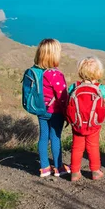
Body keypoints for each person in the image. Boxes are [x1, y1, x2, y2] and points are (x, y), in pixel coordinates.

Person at [68, 57, 105, 182]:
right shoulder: (100, 88)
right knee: (93, 146)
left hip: (77, 124)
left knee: (76, 147)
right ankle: (95, 171)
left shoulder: (74, 87)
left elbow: (68, 103)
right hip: (93, 124)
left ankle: (75, 172)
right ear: (98, 72)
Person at [33, 38, 71, 177]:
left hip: (41, 110)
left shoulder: (37, 73)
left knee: (43, 137)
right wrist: (67, 113)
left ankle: (44, 168)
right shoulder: (55, 75)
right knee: (55, 137)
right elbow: (62, 97)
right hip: (55, 112)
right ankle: (59, 167)